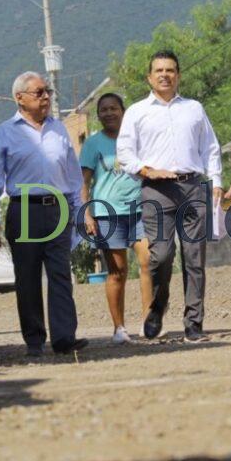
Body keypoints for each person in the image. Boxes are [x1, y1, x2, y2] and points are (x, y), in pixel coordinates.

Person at [117, 51, 222, 343]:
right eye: (159, 70)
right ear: (149, 77)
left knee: (194, 258)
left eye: (171, 70)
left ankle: (194, 323)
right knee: (161, 256)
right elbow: (124, 154)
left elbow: (210, 147)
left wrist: (215, 182)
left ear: (178, 75)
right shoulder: (137, 111)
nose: (165, 74)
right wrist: (147, 170)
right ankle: (158, 307)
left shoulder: (194, 108)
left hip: (193, 187)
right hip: (156, 190)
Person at [0, 72, 88, 357]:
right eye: (39, 92)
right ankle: (34, 340)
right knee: (27, 277)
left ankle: (65, 337)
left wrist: (80, 213)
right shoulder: (5, 131)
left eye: (48, 91)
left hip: (58, 209)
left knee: (60, 274)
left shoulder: (59, 129)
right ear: (20, 98)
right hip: (23, 209)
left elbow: (74, 177)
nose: (46, 97)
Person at [79, 93, 154, 345]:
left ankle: (149, 322)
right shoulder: (93, 144)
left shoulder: (136, 138)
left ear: (123, 111)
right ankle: (119, 328)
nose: (109, 113)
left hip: (140, 209)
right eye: (103, 110)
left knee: (149, 261)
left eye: (113, 108)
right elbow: (84, 181)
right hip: (107, 214)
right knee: (117, 271)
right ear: (99, 115)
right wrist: (87, 213)